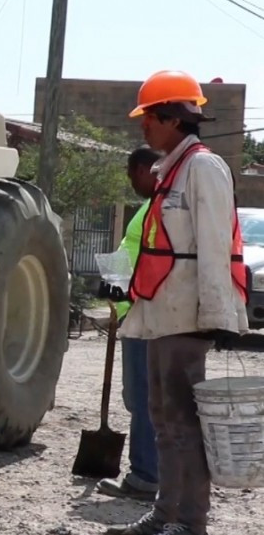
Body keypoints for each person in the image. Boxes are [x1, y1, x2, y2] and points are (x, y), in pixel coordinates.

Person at [105, 70, 248, 535]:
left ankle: (191, 523)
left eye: (149, 117)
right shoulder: (174, 170)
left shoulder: (203, 169)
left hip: (186, 316)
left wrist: (217, 314)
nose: (143, 126)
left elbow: (213, 247)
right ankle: (166, 515)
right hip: (162, 313)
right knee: (164, 419)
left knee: (184, 423)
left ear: (171, 118)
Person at [97, 146, 163, 502]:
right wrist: (114, 282)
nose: (129, 180)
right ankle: (152, 473)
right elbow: (137, 253)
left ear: (143, 169)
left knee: (143, 398)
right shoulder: (152, 206)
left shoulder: (160, 206)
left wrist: (128, 289)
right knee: (138, 397)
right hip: (135, 309)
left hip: (144, 314)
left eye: (130, 173)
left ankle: (145, 477)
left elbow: (154, 262)